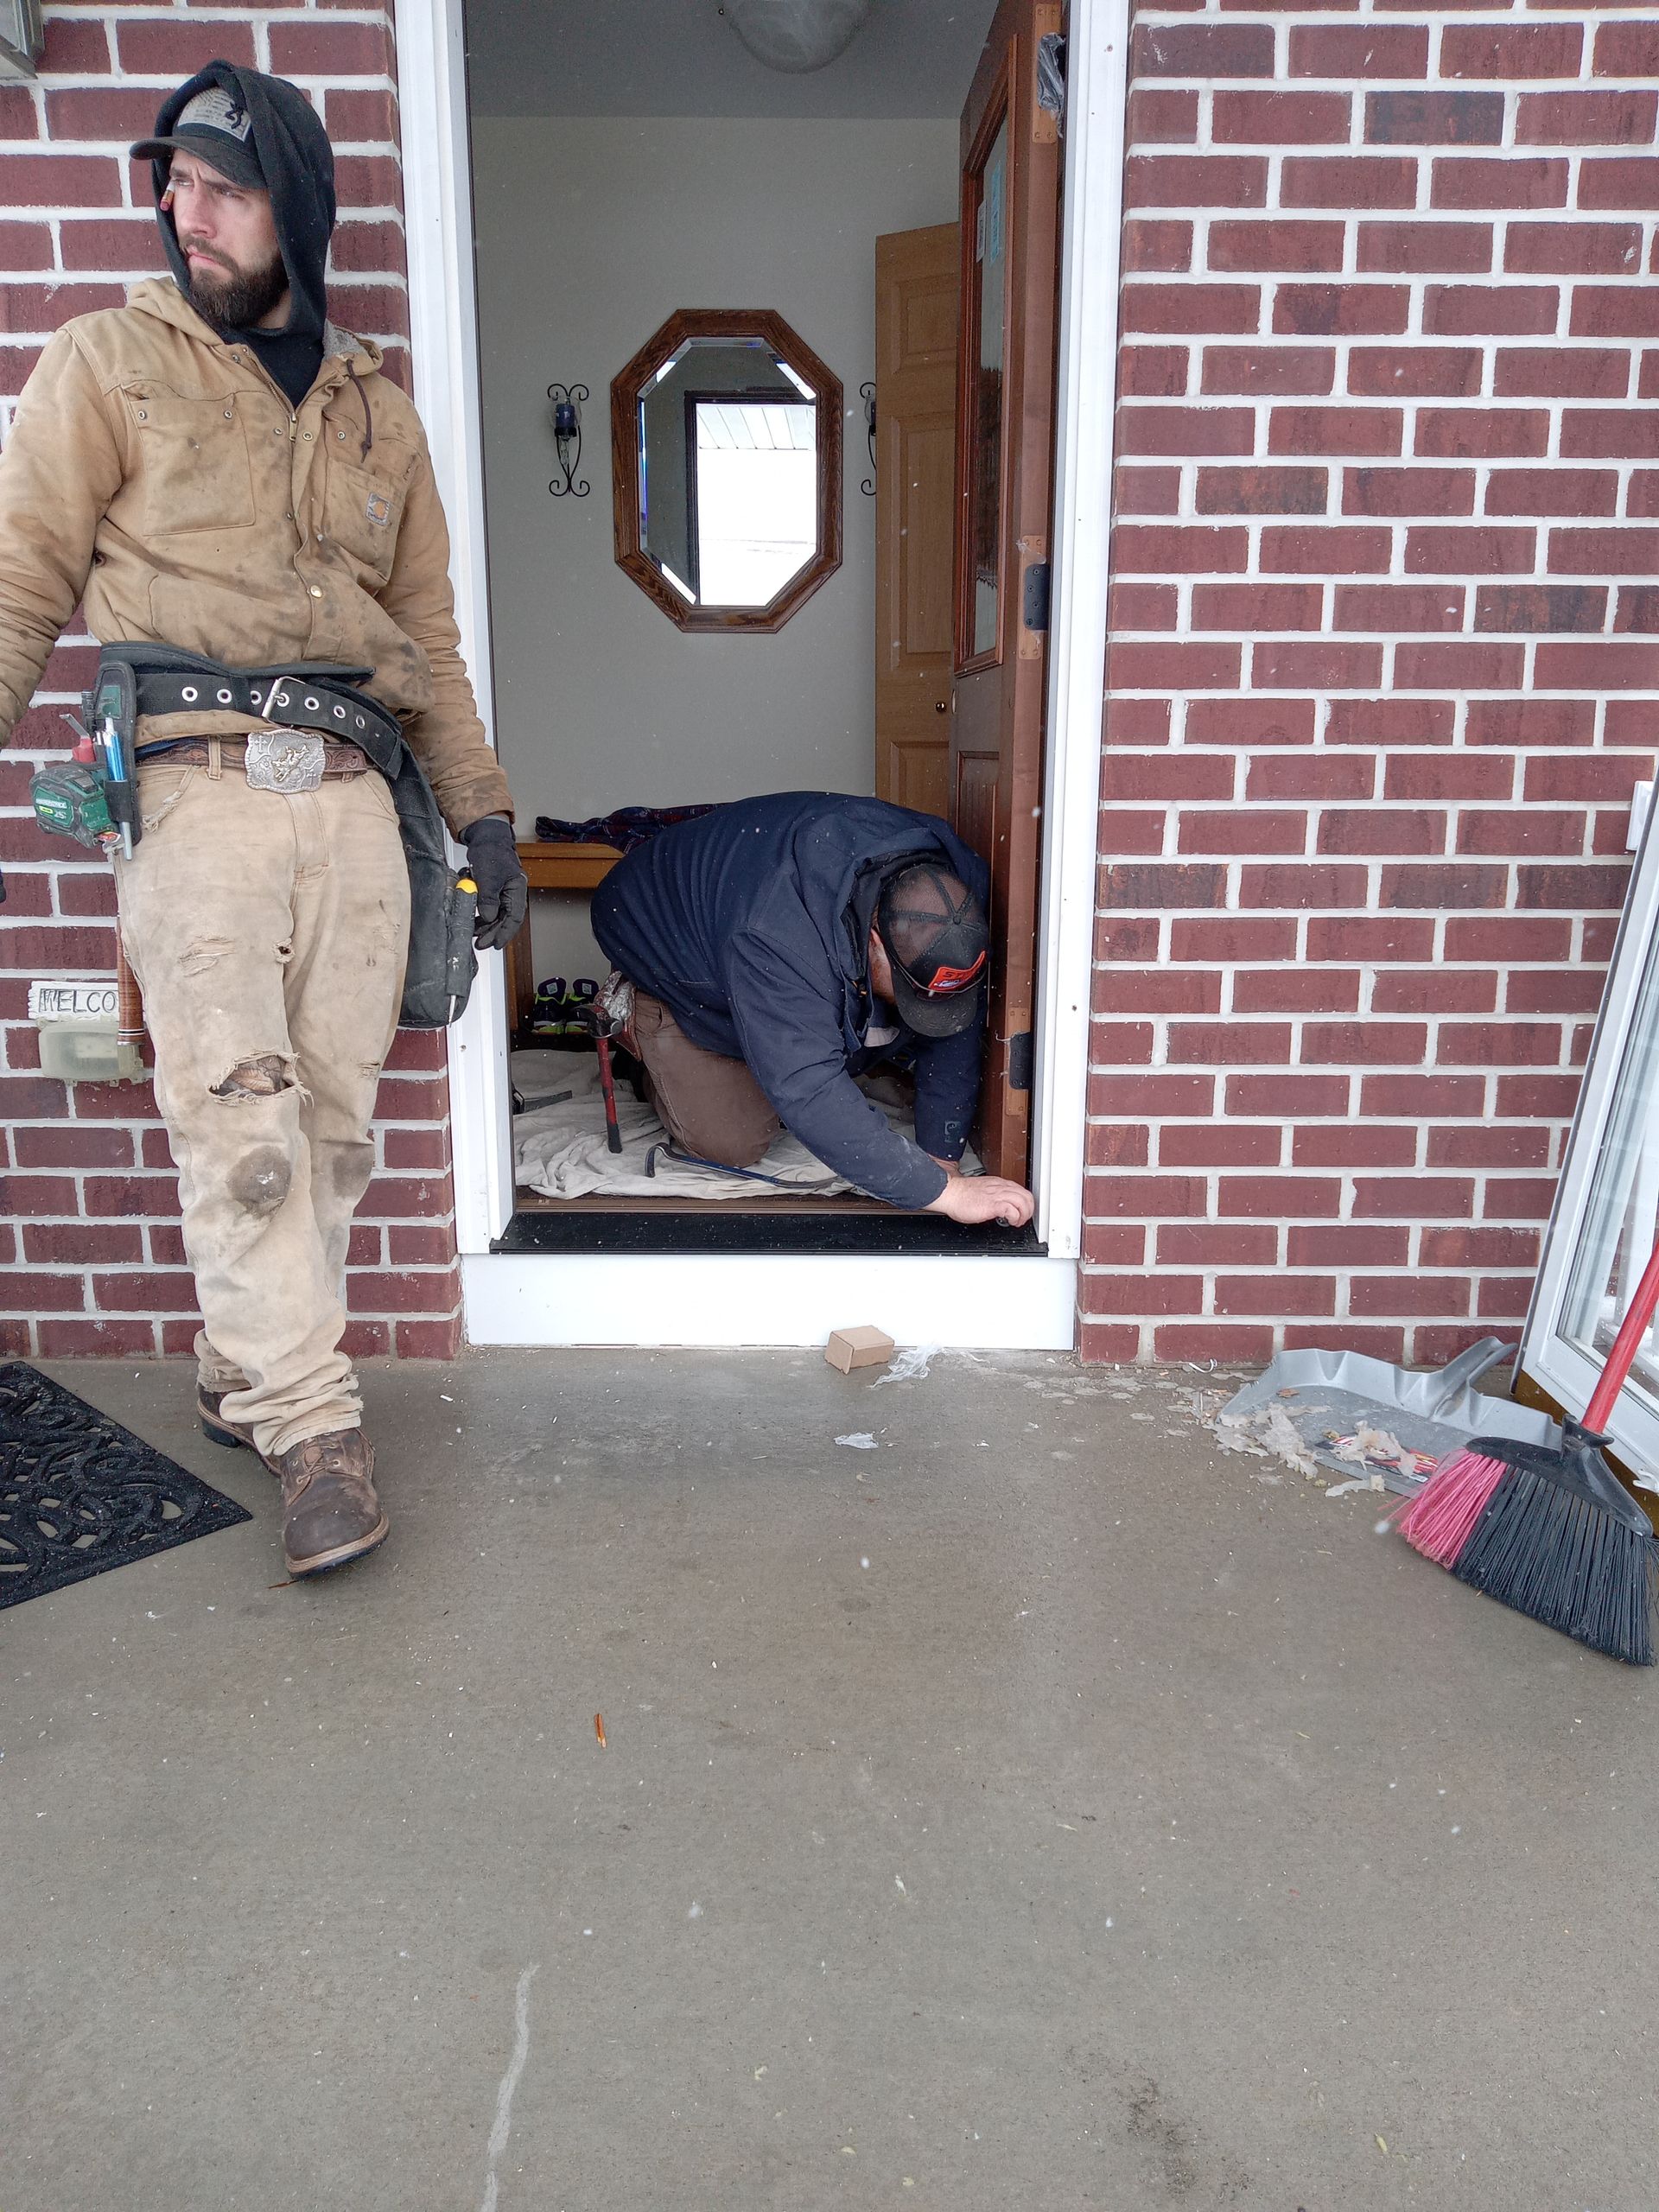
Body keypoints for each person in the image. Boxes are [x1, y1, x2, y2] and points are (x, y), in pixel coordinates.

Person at [0, 64, 528, 1577]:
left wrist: (485, 818)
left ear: (295, 206)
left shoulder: (381, 416)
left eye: (220, 190)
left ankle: (243, 1380)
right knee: (238, 1123)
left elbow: (425, 631)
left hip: (361, 801)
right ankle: (316, 1431)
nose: (186, 215)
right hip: (199, 789)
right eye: (173, 187)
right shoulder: (106, 363)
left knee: (336, 1139)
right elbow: (22, 579)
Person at [590, 791, 1035, 1226]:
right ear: (875, 941)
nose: (921, 1007)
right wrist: (941, 1193)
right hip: (661, 936)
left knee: (856, 1020)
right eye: (911, 991)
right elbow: (807, 1085)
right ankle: (644, 1030)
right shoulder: (776, 938)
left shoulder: (960, 893)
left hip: (749, 913)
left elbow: (954, 1019)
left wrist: (942, 1155)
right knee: (731, 1139)